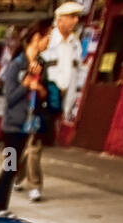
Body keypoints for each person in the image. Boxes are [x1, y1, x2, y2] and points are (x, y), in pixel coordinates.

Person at [0, 20, 52, 218]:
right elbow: (10, 97)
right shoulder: (16, 64)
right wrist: (26, 85)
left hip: (29, 124)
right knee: (11, 166)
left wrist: (39, 89)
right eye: (46, 37)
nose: (48, 42)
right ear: (36, 38)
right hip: (13, 126)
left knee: (12, 167)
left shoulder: (40, 65)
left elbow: (44, 94)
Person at [18, 2, 83, 201]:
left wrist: (70, 102)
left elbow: (75, 73)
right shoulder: (47, 40)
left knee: (29, 142)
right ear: (60, 19)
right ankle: (34, 184)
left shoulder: (75, 44)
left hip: (56, 99)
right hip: (38, 98)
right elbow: (30, 67)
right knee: (34, 142)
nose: (75, 21)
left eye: (76, 17)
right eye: (71, 17)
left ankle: (15, 175)